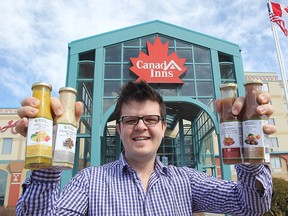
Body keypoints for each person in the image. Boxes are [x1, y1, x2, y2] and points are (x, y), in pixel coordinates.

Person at [16, 80, 276, 215]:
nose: (140, 127)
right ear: (119, 129)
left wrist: (250, 151)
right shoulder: (88, 182)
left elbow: (250, 206)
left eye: (151, 119)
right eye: (130, 120)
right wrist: (46, 167)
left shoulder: (186, 182)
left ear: (163, 127)